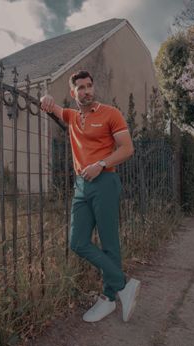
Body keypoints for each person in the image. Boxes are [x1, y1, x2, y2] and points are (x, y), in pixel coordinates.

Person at [41, 70, 141, 323]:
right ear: (73, 93)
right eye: (81, 88)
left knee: (109, 243)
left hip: (105, 181)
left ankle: (108, 299)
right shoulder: (72, 116)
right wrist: (45, 97)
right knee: (77, 242)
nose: (86, 91)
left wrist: (101, 164)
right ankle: (123, 284)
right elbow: (51, 106)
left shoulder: (110, 113)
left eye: (89, 86)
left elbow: (127, 148)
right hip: (81, 186)